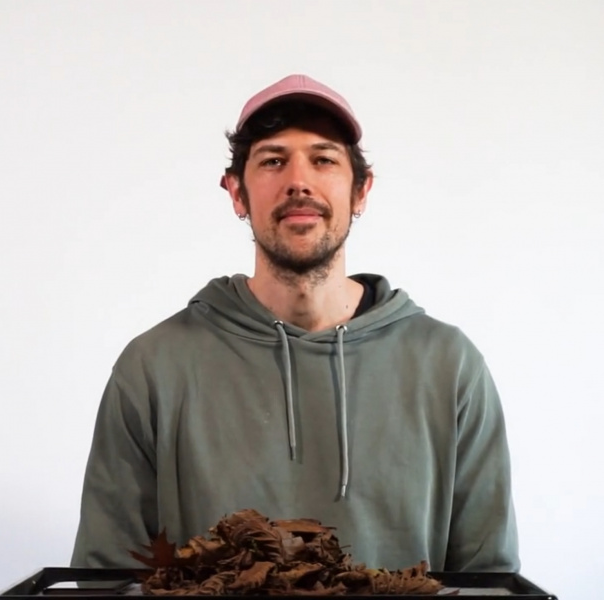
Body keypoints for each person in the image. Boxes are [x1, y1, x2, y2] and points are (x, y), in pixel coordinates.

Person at [70, 74, 520, 573]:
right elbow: (104, 577)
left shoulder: (449, 366)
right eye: (273, 160)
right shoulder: (154, 367)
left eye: (323, 159)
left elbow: (489, 579)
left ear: (361, 190)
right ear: (236, 192)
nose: (298, 181)